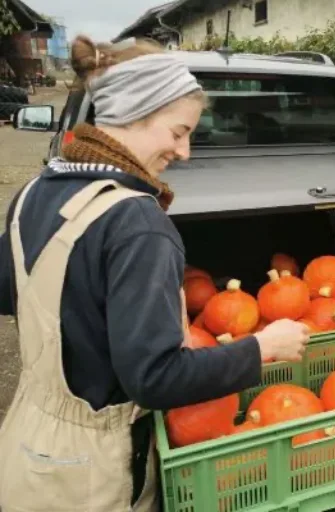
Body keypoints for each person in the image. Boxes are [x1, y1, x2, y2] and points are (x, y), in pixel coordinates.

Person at [0, 36, 310, 512]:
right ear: (136, 113)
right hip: (95, 474)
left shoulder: (34, 193)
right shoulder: (137, 222)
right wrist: (261, 348)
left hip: (28, 446)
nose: (184, 151)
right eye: (178, 131)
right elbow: (155, 379)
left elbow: (14, 294)